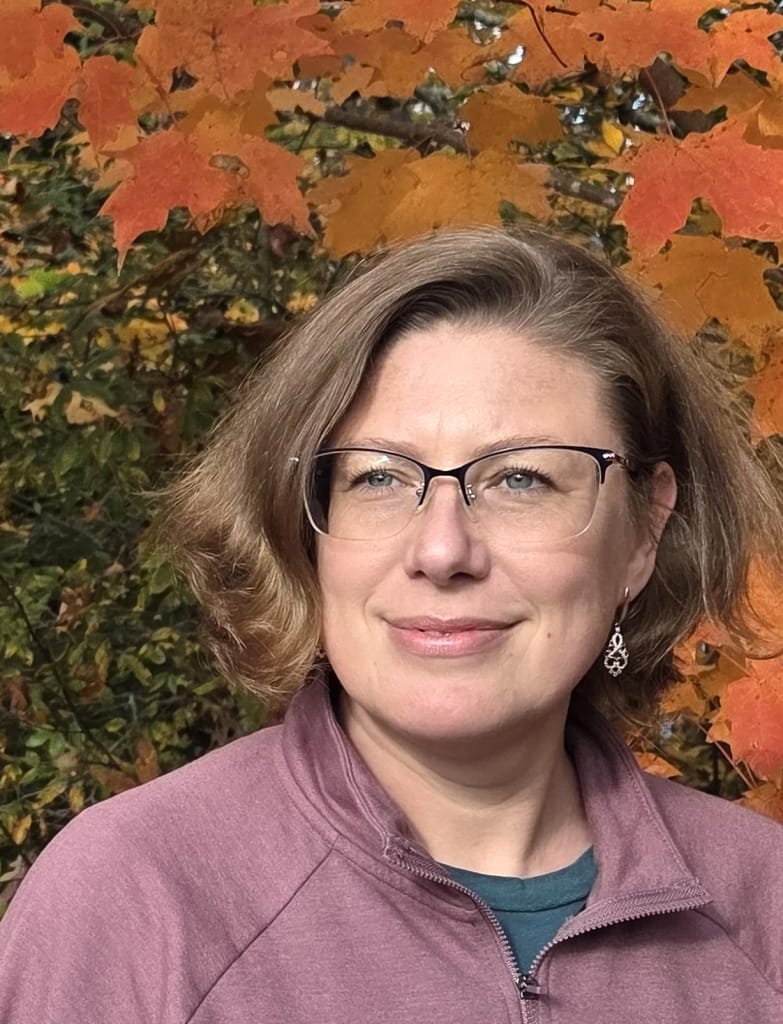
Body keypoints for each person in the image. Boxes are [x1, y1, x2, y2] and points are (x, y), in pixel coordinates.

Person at [1, 226, 783, 1023]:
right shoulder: (136, 900)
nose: (441, 549)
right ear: (306, 530)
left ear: (643, 533)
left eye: (521, 478)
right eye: (378, 476)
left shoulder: (765, 909)